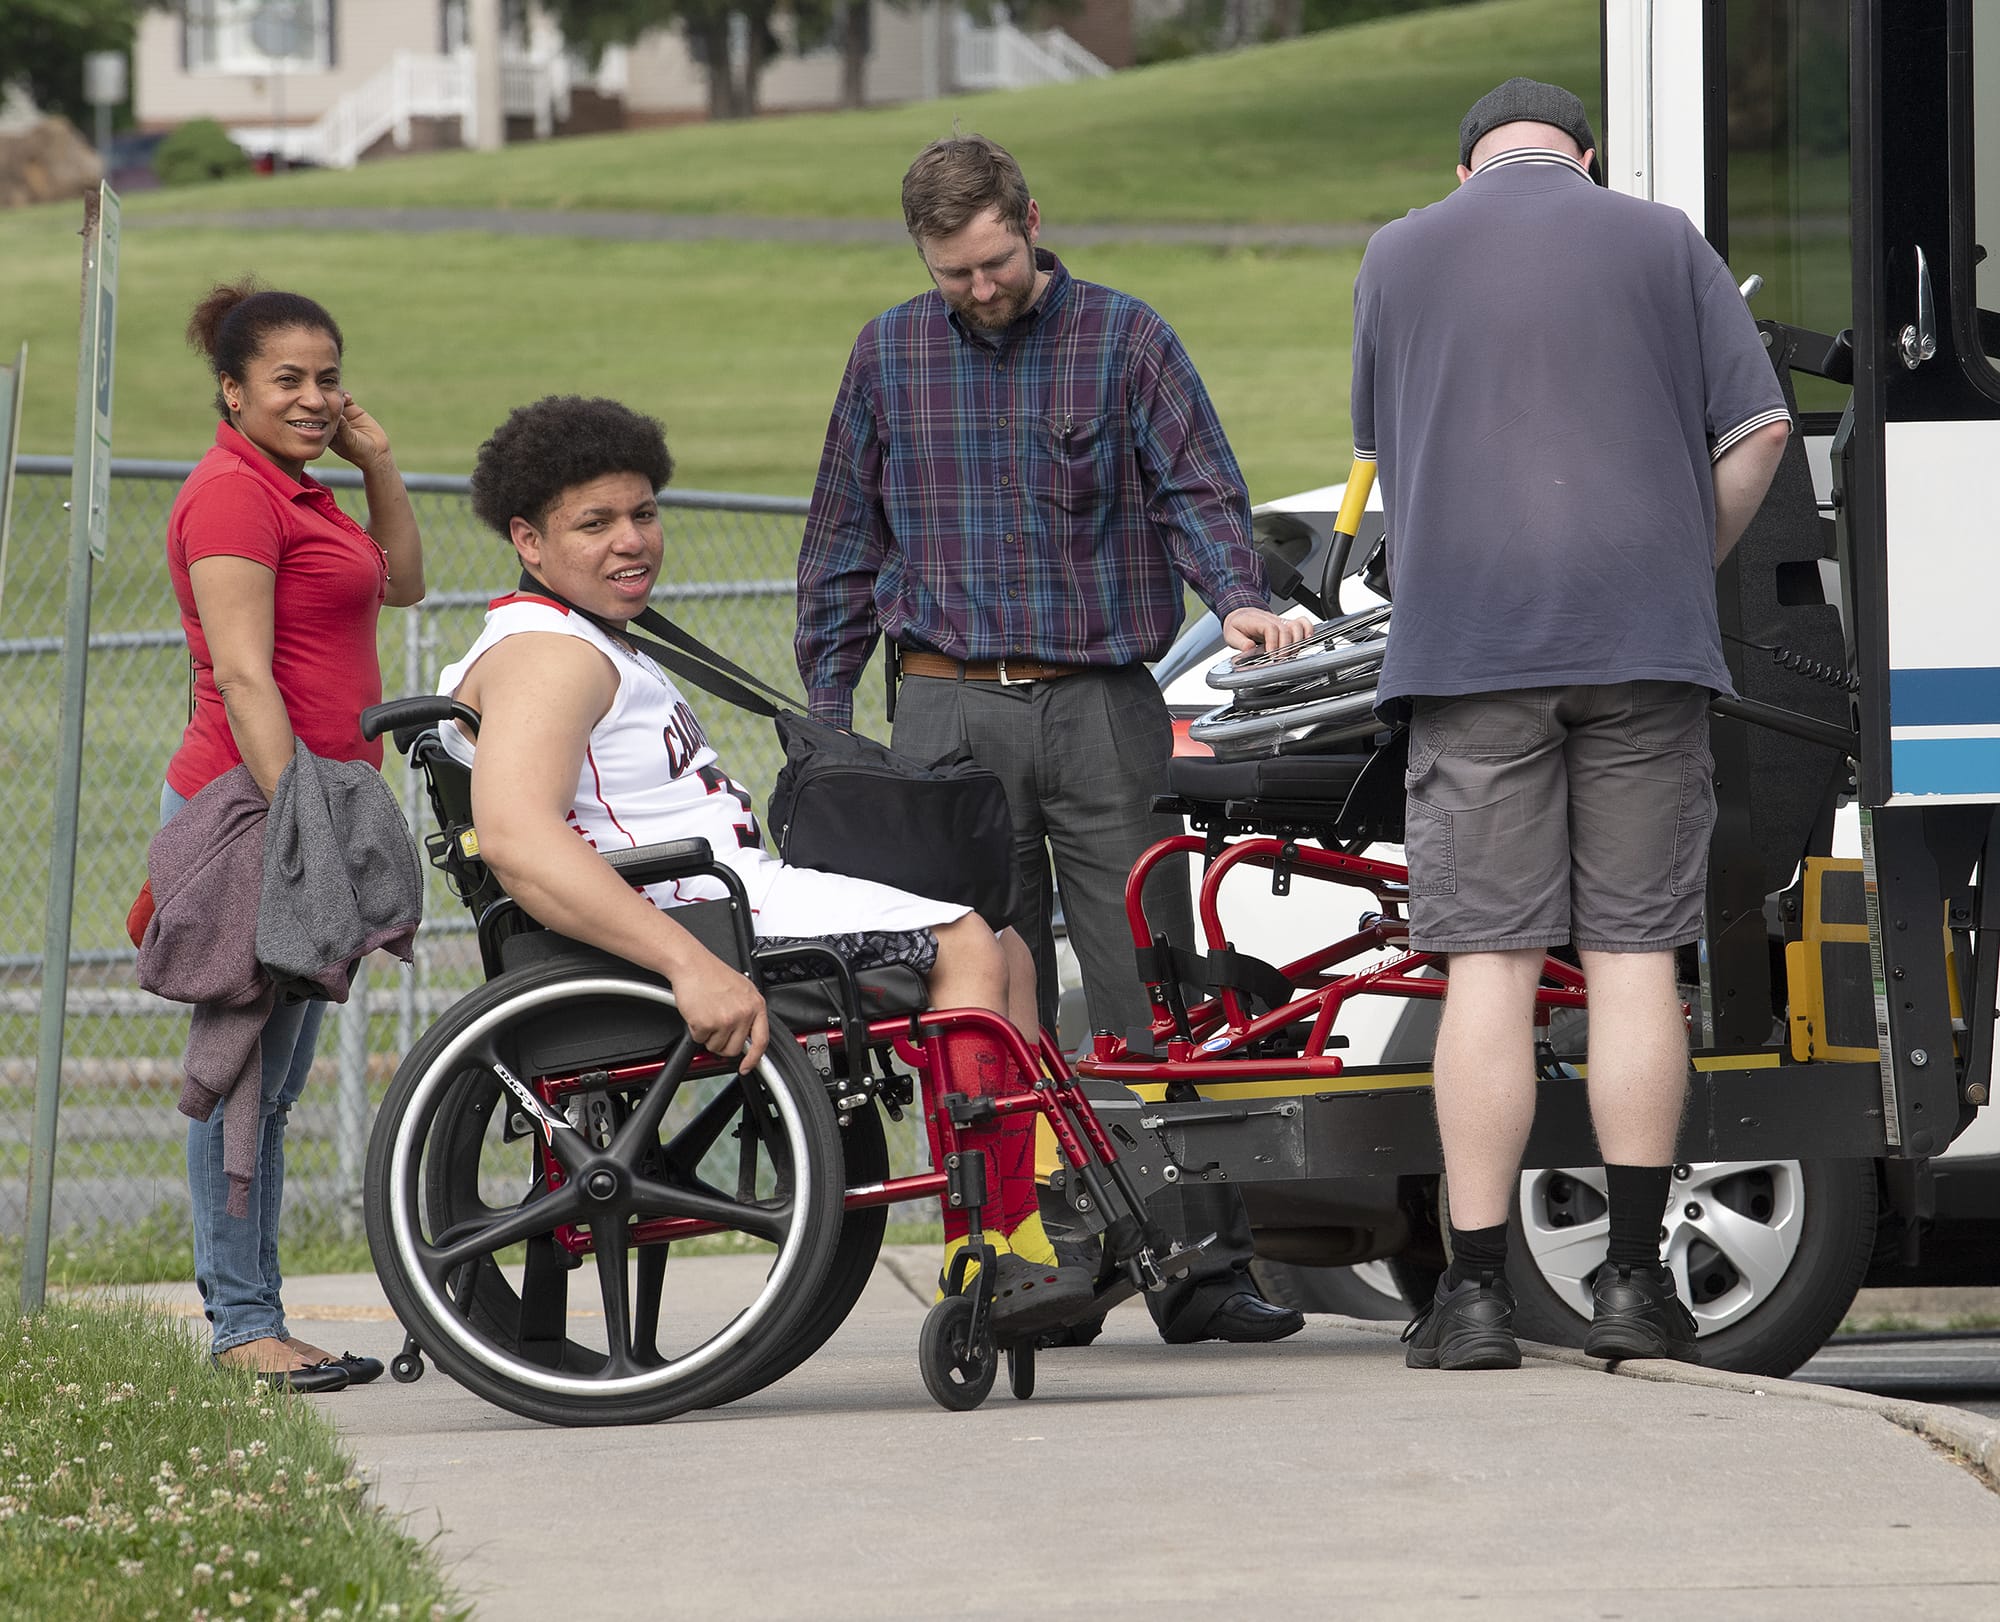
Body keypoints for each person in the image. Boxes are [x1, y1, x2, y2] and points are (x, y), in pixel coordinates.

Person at [797, 134, 1311, 1346]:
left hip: (1099, 708)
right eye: (952, 272)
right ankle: (1035, 1267)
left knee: (1151, 975)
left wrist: (1233, 593)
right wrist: (825, 723)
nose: (978, 288)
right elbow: (839, 546)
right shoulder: (885, 354)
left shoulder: (1125, 338)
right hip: (945, 712)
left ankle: (1197, 1266)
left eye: (993, 261)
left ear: (1030, 219)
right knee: (982, 1003)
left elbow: (1197, 487)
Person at [437, 394, 1093, 1330]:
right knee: (968, 948)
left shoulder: (584, 638)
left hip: (715, 896)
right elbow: (516, 839)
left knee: (1010, 950)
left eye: (644, 513)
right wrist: (689, 967)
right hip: (691, 920)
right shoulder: (552, 655)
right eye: (596, 523)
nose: (632, 541)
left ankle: (1045, 1218)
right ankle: (991, 1246)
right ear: (528, 540)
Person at [1350, 79, 1794, 1371]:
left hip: (1473, 652)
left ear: (1470, 161)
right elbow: (1761, 425)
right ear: (1584, 157)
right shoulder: (1664, 240)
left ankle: (1477, 1294)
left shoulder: (1399, 253)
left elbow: (1390, 449)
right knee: (1633, 956)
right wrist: (1678, 555)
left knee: (1488, 964)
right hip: (1645, 653)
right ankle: (1631, 1289)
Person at [165, 280, 427, 1391]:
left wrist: (375, 464)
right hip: (252, 809)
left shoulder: (305, 492)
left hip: (310, 802)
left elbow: (404, 583)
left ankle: (257, 1314)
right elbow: (240, 671)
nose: (314, 396)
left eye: (326, 376)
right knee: (239, 1080)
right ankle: (241, 1325)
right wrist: (298, 826)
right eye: (287, 380)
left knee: (269, 1090)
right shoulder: (232, 496)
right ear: (232, 391)